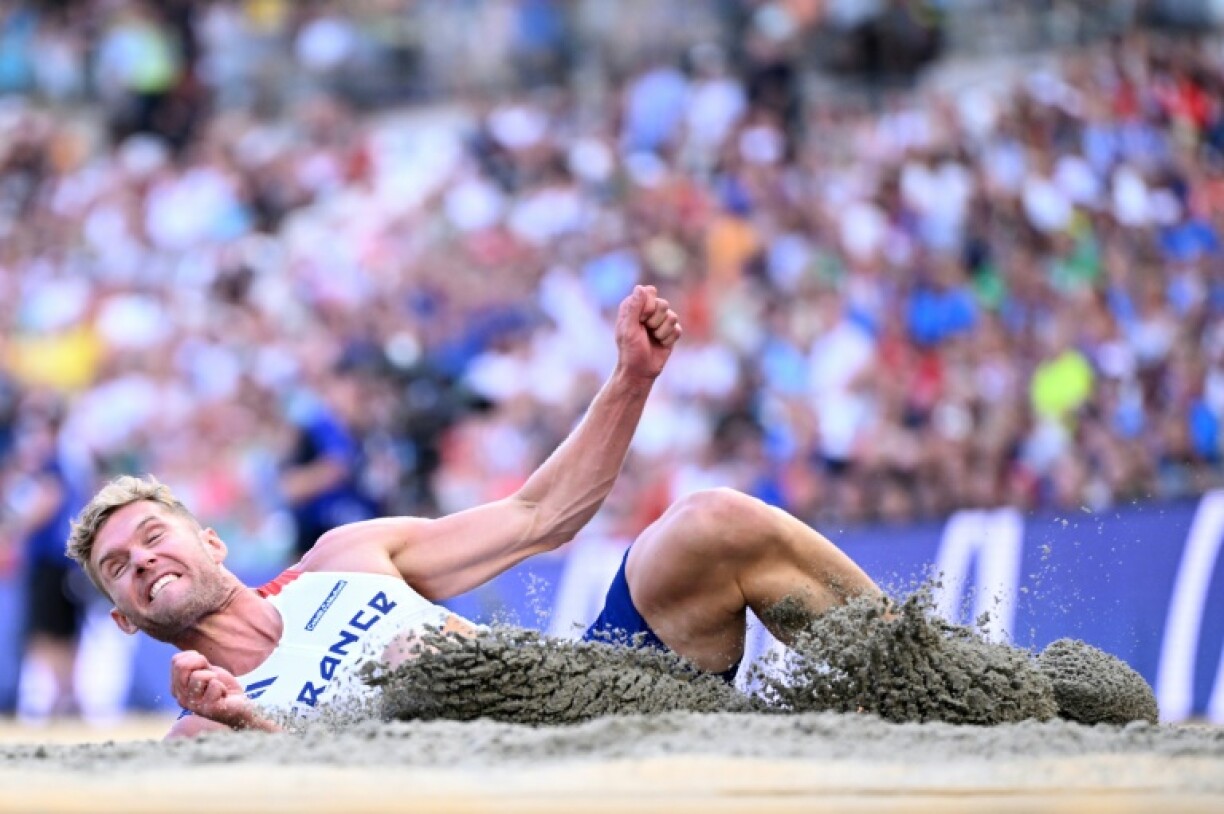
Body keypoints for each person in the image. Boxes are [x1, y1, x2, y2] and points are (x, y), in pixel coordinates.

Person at [64, 286, 883, 738]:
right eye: (118, 570)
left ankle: (926, 680)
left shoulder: (340, 559)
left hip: (597, 695)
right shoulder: (207, 722)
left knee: (713, 519)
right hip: (516, 782)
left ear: (209, 540)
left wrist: (632, 378)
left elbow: (543, 514)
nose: (141, 561)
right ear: (126, 621)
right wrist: (253, 725)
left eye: (151, 536)